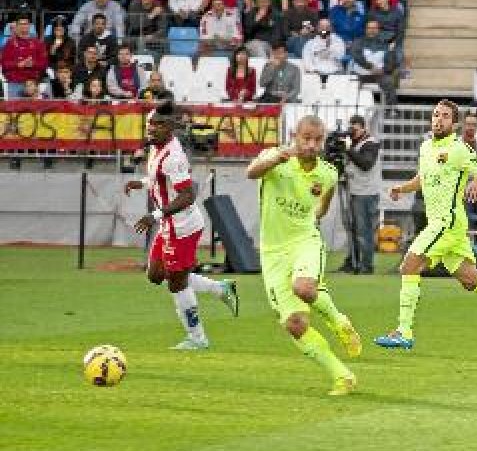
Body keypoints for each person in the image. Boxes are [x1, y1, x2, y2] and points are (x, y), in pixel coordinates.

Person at [375, 101, 477, 351]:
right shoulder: (426, 147)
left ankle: (404, 331)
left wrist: (476, 180)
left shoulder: (459, 148)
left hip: (447, 222)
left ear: (454, 124)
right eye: (435, 115)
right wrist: (402, 188)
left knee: (409, 264)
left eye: (444, 116)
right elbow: (424, 178)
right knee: (470, 280)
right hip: (443, 225)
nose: (438, 120)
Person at [245, 115, 362, 396]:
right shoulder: (276, 159)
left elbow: (324, 202)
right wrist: (275, 159)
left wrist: (312, 219)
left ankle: (337, 320)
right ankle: (342, 376)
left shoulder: (327, 173)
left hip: (304, 241)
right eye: (306, 138)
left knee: (305, 288)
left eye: (317, 140)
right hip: (273, 252)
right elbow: (251, 172)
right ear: (294, 136)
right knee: (295, 325)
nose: (311, 145)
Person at [124, 102, 238, 351]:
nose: (151, 129)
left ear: (172, 128)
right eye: (150, 123)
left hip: (182, 226)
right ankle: (219, 289)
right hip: (169, 224)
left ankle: (197, 338)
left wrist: (154, 215)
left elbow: (187, 194)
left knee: (177, 283)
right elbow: (159, 179)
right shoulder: (157, 148)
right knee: (156, 275)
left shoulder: (173, 156)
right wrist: (141, 183)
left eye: (158, 124)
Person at [338, 115, 382, 275]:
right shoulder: (353, 143)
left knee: (364, 231)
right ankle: (353, 261)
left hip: (367, 193)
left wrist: (348, 149)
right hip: (354, 191)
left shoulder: (372, 143)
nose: (352, 133)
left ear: (364, 128)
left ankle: (366, 265)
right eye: (351, 129)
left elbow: (365, 164)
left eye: (355, 129)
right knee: (353, 230)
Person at [1, 13, 47, 99]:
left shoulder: (38, 43)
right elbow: (4, 64)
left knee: (36, 110)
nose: (23, 26)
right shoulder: (9, 44)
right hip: (15, 82)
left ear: (30, 26)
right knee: (15, 110)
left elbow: (44, 64)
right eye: (21, 24)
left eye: (25, 24)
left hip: (34, 83)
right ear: (16, 26)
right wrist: (18, 64)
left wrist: (32, 64)